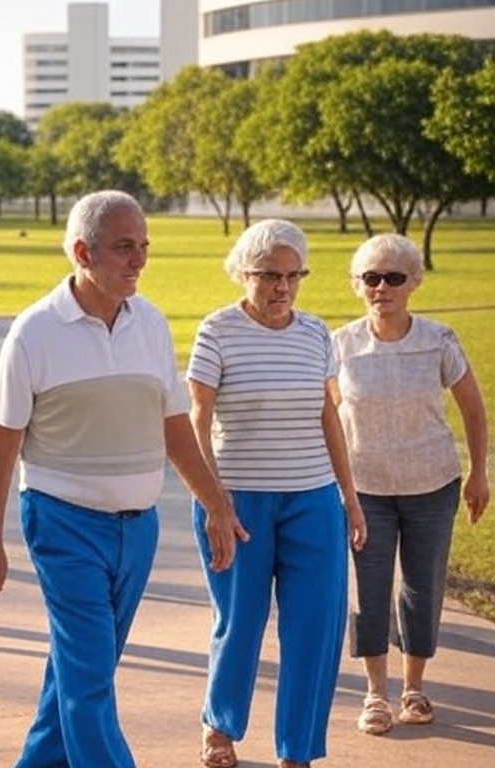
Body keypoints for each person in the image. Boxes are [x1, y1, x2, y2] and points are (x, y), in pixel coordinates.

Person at [0, 190, 245, 768]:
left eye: (143, 246)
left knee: (81, 668)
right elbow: (3, 445)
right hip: (62, 524)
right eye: (124, 248)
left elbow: (175, 429)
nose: (138, 260)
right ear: (81, 251)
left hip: (138, 528)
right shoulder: (35, 331)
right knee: (91, 675)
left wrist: (216, 504)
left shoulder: (151, 323)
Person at [186, 218, 368, 768]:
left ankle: (298, 748)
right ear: (244, 273)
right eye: (269, 275)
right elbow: (198, 419)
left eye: (293, 276)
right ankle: (220, 727)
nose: (282, 287)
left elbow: (327, 414)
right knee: (240, 622)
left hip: (313, 501)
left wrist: (350, 497)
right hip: (240, 502)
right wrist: (214, 499)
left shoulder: (316, 333)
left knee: (315, 629)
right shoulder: (216, 331)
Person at [330, 234, 489, 736]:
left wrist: (480, 473)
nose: (382, 287)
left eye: (394, 277)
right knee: (369, 590)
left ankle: (413, 689)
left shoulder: (438, 339)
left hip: (432, 483)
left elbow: (472, 406)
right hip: (364, 490)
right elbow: (324, 417)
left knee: (423, 589)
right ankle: (375, 694)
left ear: (414, 282)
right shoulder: (340, 344)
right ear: (358, 285)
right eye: (371, 278)